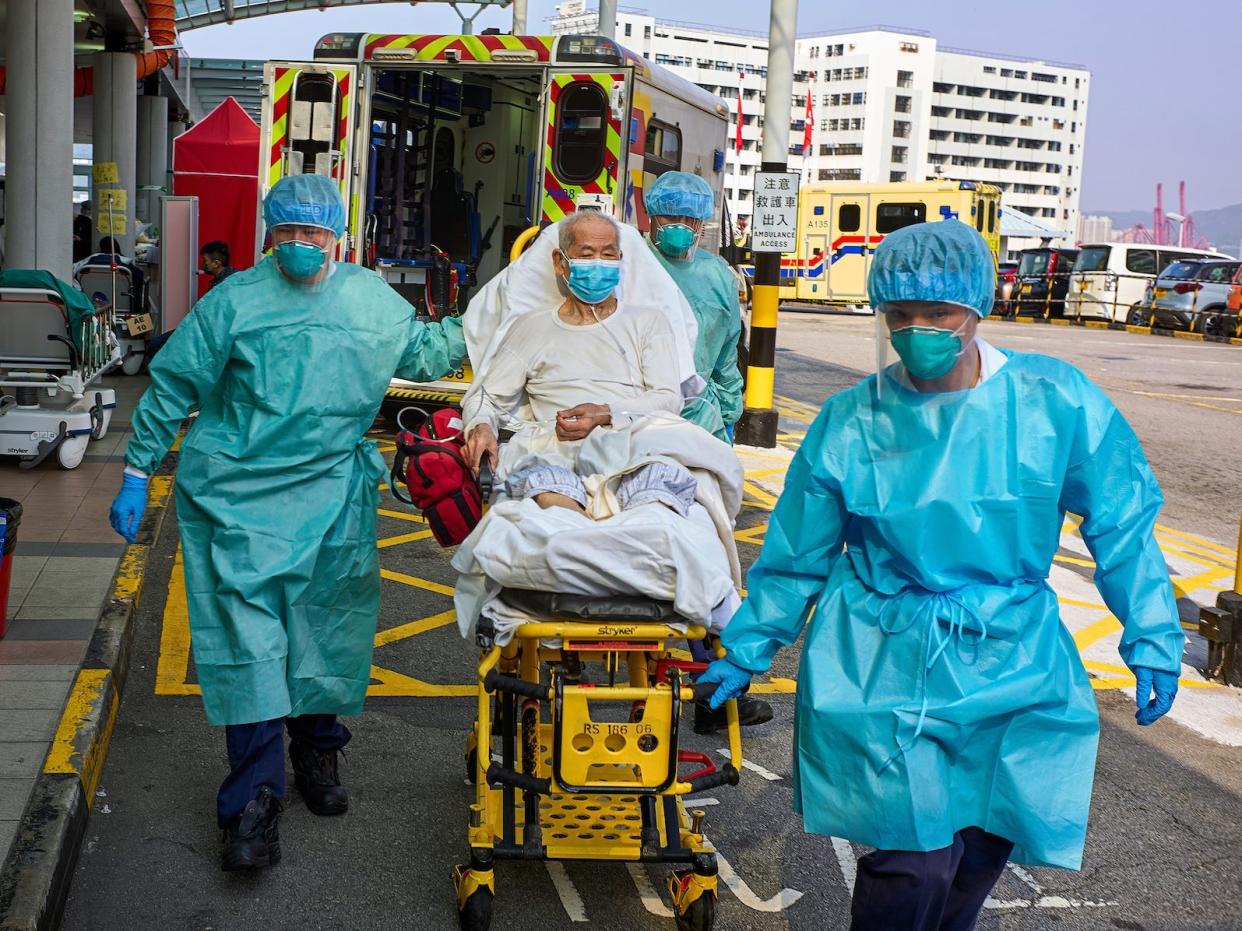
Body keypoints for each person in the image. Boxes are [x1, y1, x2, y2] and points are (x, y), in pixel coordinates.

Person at [699, 219, 1185, 931]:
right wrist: (747, 646)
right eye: (901, 315)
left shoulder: (1057, 403)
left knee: (984, 838)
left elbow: (1121, 523)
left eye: (938, 313)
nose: (919, 328)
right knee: (913, 858)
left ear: (977, 307)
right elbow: (796, 553)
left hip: (1012, 654)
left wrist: (1151, 632)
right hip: (884, 658)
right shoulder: (851, 420)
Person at [108, 174, 468, 873]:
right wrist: (135, 468)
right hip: (238, 495)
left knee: (322, 631)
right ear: (268, 233)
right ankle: (252, 801)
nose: (303, 245)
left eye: (315, 233)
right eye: (290, 233)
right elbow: (176, 384)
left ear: (338, 234)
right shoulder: (235, 302)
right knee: (251, 643)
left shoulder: (370, 300)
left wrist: (496, 317)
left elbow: (424, 356)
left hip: (332, 494)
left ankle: (318, 750)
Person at [644, 172, 744, 444]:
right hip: (638, 410)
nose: (681, 227)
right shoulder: (632, 262)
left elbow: (726, 354)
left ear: (701, 223)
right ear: (652, 214)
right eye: (671, 217)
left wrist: (728, 411)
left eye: (690, 220)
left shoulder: (718, 276)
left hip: (699, 414)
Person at [145, 241, 236, 359]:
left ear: (216, 263)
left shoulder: (223, 285)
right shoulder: (233, 278)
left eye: (205, 261)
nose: (203, 264)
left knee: (156, 345)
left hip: (208, 332)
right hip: (207, 330)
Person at [74, 235, 147, 312]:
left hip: (90, 308)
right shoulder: (126, 265)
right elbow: (139, 280)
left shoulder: (88, 263)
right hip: (123, 309)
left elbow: (73, 272)